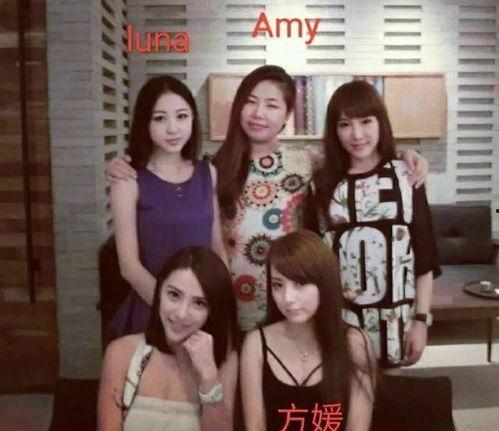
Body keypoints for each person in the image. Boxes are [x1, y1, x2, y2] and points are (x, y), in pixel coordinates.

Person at [106, 66, 429, 333]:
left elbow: (357, 160)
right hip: (226, 300)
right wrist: (122, 164)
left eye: (272, 105)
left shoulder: (306, 161)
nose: (259, 113)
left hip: (289, 298)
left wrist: (405, 156)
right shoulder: (214, 167)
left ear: (287, 115)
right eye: (251, 102)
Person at [312, 80, 441, 368]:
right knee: (346, 390)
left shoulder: (406, 176)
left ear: (381, 122)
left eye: (366, 121)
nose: (357, 134)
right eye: (345, 124)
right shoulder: (321, 184)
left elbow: (425, 257)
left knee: (391, 392)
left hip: (396, 320)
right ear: (334, 130)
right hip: (341, 320)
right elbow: (315, 261)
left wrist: (421, 321)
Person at [108, 75, 227, 337]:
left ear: (193, 118)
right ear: (145, 123)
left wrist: (218, 305)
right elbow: (129, 266)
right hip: (152, 309)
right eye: (159, 118)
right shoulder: (128, 180)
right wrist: (175, 313)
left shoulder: (208, 172)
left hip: (203, 311)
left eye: (181, 116)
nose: (173, 129)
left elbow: (216, 247)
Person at [240, 230, 376, 431]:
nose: (287, 298)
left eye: (300, 284)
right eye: (278, 285)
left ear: (324, 283)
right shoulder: (256, 343)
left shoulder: (354, 342)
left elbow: (358, 428)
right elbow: (255, 427)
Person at [97, 246, 239, 431]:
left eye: (199, 303)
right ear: (159, 291)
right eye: (174, 295)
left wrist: (208, 376)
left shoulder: (225, 360)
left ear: (213, 309)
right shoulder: (121, 352)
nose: (181, 313)